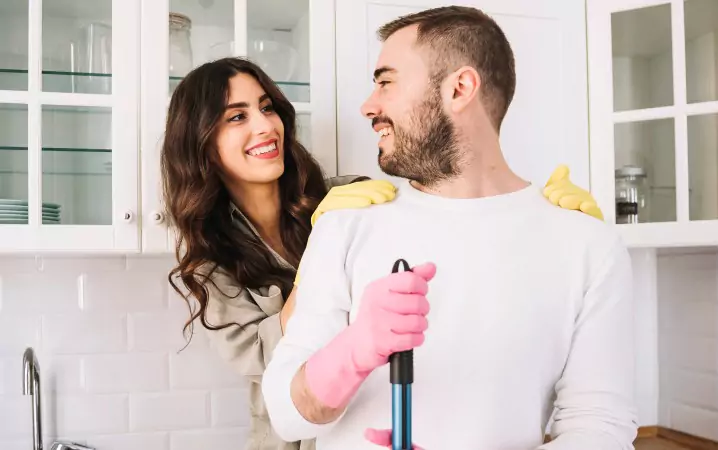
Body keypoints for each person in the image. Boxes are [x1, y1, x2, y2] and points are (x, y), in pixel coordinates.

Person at [160, 57, 602, 449]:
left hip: (376, 428)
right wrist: (319, 255)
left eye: (267, 107)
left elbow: (447, 244)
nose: (265, 126)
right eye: (237, 117)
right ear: (202, 144)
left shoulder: (348, 200)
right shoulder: (207, 261)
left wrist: (548, 222)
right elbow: (263, 356)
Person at [262, 6, 637, 450]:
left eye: (385, 81)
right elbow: (288, 418)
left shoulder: (588, 245)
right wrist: (354, 349)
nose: (369, 105)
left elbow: (600, 428)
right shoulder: (346, 225)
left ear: (460, 88)